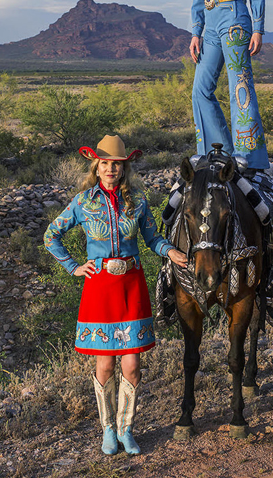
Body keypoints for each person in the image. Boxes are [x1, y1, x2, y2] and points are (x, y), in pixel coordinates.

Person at [44, 135, 188, 456]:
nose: (110, 169)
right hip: (99, 288)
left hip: (132, 286)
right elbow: (51, 234)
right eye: (105, 163)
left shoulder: (137, 201)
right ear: (96, 166)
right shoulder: (82, 202)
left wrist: (172, 252)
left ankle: (127, 429)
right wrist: (73, 266)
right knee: (105, 366)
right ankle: (108, 429)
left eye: (117, 164)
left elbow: (152, 238)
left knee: (133, 366)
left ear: (124, 168)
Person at [189, 0, 269, 171]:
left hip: (236, 19)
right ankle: (215, 151)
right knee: (200, 90)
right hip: (209, 25)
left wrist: (258, 28)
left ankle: (249, 156)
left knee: (240, 86)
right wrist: (195, 30)